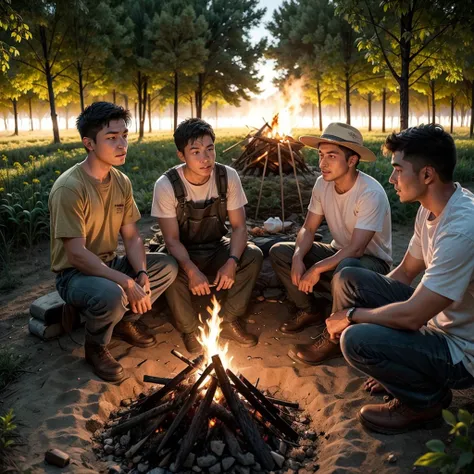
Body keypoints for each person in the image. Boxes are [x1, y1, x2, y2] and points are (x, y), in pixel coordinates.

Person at [326, 124, 474, 434]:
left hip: (462, 351)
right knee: (351, 277)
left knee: (355, 339)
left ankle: (426, 402)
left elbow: (413, 316)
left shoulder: (461, 227)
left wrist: (353, 317)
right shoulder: (430, 208)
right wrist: (375, 325)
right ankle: (400, 369)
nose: (391, 179)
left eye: (397, 170)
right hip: (436, 323)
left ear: (427, 175)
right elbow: (405, 273)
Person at [49, 102, 178, 383]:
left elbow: (131, 236)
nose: (122, 145)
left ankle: (123, 323)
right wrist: (127, 282)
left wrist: (141, 273)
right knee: (112, 294)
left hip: (108, 263)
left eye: (124, 136)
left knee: (166, 266)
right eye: (111, 138)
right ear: (89, 143)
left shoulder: (121, 181)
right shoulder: (70, 187)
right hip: (74, 274)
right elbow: (76, 255)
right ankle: (95, 346)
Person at [269, 122, 392, 365]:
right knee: (280, 251)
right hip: (338, 252)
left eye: (332, 157)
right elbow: (308, 227)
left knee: (346, 266)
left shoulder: (370, 193)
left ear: (352, 160)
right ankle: (310, 309)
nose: (322, 164)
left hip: (371, 264)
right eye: (321, 155)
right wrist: (296, 257)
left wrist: (315, 268)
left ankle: (333, 339)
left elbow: (357, 248)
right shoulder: (322, 184)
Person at [151, 118, 263, 354]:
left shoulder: (227, 176)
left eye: (210, 149)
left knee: (252, 254)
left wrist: (231, 262)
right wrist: (191, 270)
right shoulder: (166, 184)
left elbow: (240, 227)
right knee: (169, 267)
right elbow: (171, 240)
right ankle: (190, 329)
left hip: (216, 247)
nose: (206, 158)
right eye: (196, 152)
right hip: (182, 250)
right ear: (181, 155)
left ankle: (230, 319)